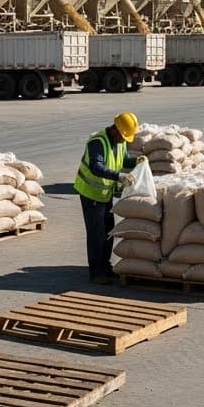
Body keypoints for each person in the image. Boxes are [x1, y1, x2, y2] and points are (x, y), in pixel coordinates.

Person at [74, 111, 139, 285]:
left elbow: (124, 160)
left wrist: (137, 161)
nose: (124, 140)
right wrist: (119, 177)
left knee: (108, 231)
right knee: (97, 235)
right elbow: (97, 167)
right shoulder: (98, 142)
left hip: (105, 195)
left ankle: (106, 267)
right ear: (115, 129)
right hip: (91, 194)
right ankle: (96, 273)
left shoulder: (120, 142)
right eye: (123, 136)